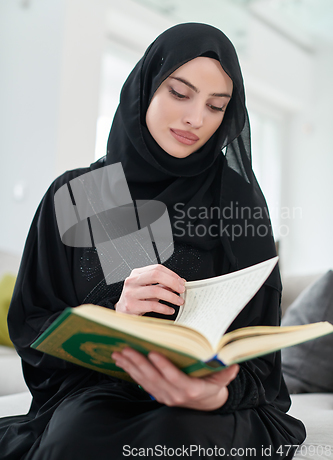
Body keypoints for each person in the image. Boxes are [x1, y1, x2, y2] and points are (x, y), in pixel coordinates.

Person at [0, 23, 305, 459]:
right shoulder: (82, 193)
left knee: (180, 433)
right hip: (103, 394)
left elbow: (259, 361)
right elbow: (33, 327)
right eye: (180, 94)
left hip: (212, 403)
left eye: (216, 106)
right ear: (145, 86)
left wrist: (211, 394)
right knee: (78, 435)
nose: (196, 118)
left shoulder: (238, 203)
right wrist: (115, 316)